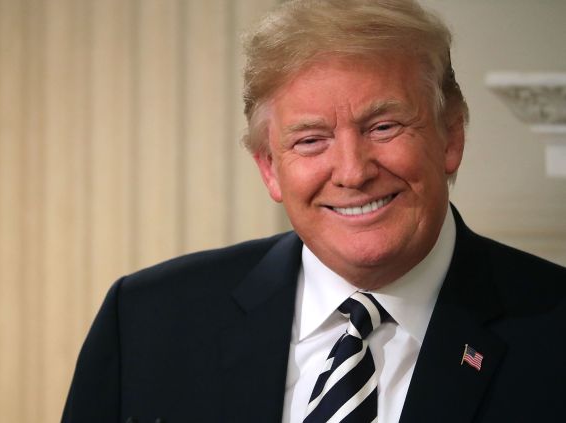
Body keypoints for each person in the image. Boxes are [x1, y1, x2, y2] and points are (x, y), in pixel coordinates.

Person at [62, 0, 566, 422]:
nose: (351, 171)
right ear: (269, 168)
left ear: (451, 136)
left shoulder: (553, 331)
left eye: (384, 127)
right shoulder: (147, 321)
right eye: (310, 140)